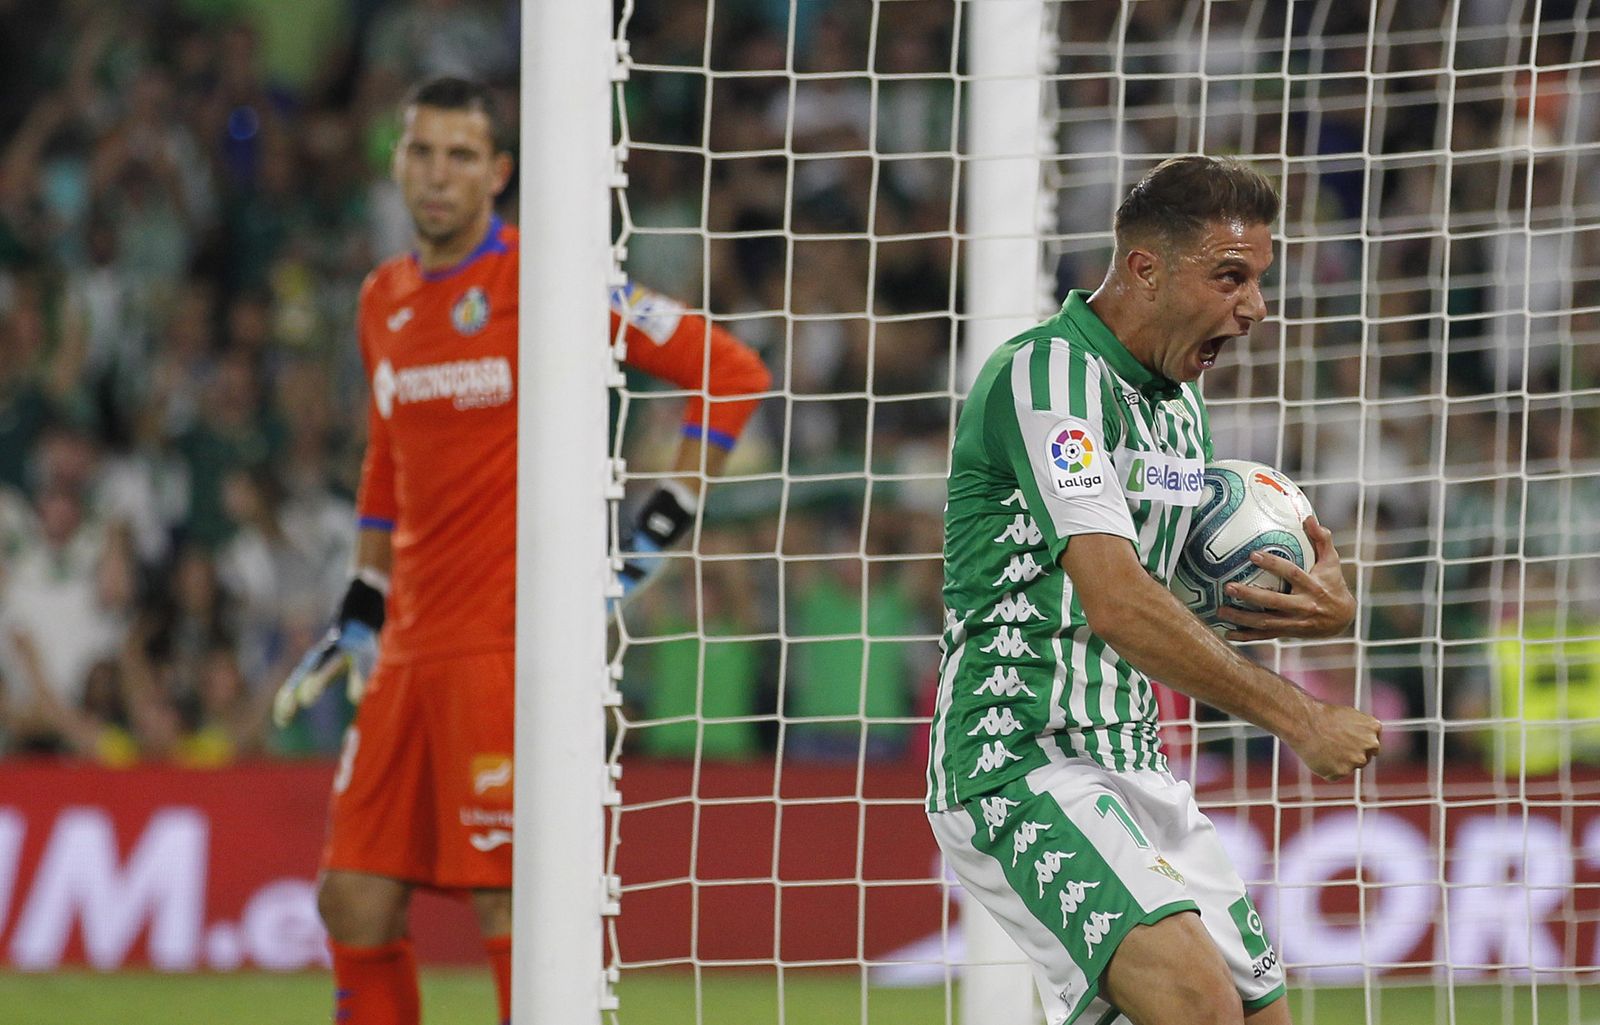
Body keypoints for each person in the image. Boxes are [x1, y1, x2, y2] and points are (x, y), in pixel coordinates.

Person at [270, 77, 770, 1025]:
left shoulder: (548, 279)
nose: (438, 175)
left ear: (499, 174)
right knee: (353, 898)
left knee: (511, 900)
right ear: (396, 161)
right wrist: (364, 596)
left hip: (507, 646)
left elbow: (728, 372)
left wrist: (663, 519)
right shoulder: (383, 299)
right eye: (422, 152)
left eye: (462, 156)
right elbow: (388, 456)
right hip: (406, 652)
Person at [925, 156, 1382, 1025]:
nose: (1254, 307)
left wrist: (1301, 606)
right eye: (1230, 276)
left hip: (1134, 758)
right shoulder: (1049, 377)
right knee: (1200, 1007)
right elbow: (1119, 601)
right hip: (1018, 753)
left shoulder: (1178, 405)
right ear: (1145, 268)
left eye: (1259, 279)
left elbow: (1172, 593)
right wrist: (1300, 715)